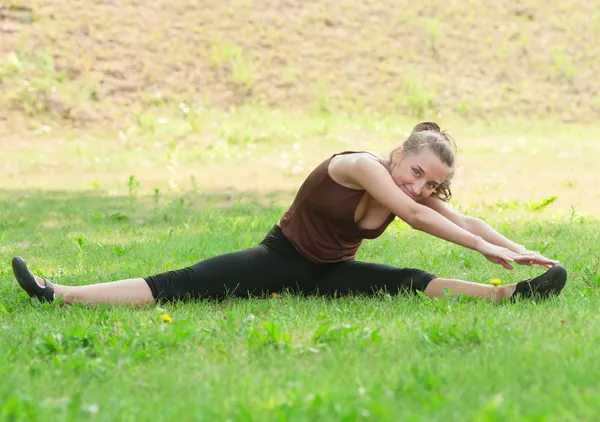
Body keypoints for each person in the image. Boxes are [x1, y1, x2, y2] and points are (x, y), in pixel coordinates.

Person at [11, 121, 567, 306]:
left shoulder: (414, 190)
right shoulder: (361, 165)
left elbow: (460, 220)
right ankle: (57, 293)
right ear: (399, 154)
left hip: (328, 271)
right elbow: (420, 218)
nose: (419, 187)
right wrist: (484, 248)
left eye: (432, 184)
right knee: (182, 283)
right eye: (416, 172)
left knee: (408, 280)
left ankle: (506, 296)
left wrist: (509, 249)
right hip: (280, 259)